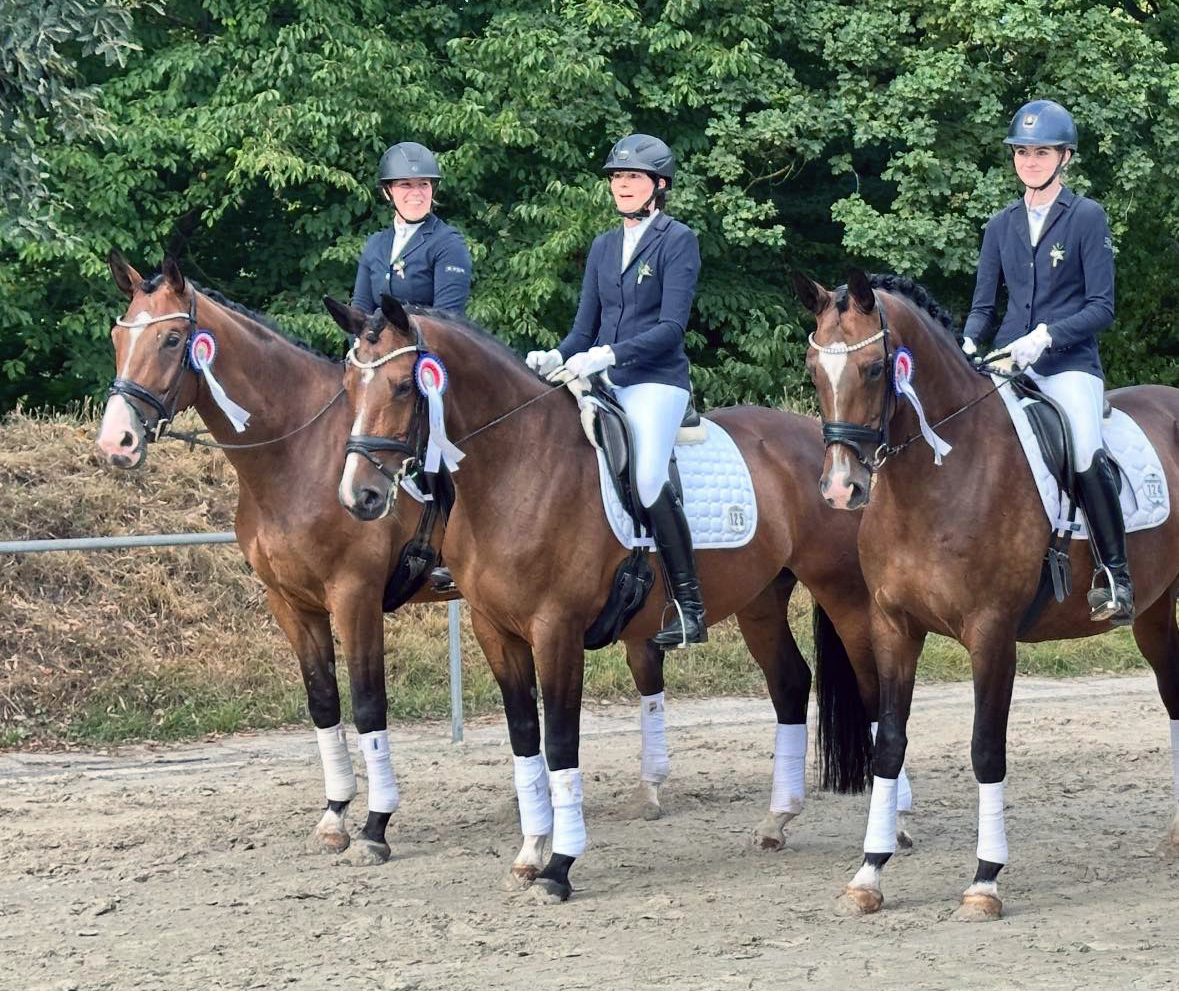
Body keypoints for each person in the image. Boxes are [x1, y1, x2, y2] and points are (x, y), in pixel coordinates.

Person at [526, 134, 706, 647]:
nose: (622, 185)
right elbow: (584, 330)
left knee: (648, 479)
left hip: (656, 382)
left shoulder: (678, 240)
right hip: (603, 381)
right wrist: (556, 355)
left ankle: (690, 607)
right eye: (617, 177)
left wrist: (610, 354)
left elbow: (671, 328)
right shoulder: (603, 246)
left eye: (633, 177)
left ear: (659, 185)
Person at [962, 99, 1131, 624]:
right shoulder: (1000, 225)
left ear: (1064, 157)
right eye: (1022, 152)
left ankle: (1115, 575)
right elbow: (984, 307)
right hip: (1009, 361)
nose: (1030, 162)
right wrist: (966, 345)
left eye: (1041, 153)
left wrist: (1048, 336)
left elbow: (1102, 306)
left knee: (1083, 447)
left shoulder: (1086, 217)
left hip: (1069, 363)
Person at [351, 141, 472, 316]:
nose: (416, 193)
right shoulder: (375, 244)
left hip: (427, 335)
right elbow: (360, 310)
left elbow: (448, 317)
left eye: (423, 184)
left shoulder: (448, 243)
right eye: (405, 184)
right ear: (387, 191)